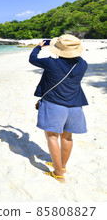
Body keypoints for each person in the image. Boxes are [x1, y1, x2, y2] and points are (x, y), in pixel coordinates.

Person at [29, 34, 88, 183]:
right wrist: (71, 49)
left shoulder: (51, 63)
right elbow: (77, 57)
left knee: (52, 137)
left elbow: (32, 59)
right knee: (67, 137)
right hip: (75, 106)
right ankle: (62, 166)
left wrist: (38, 47)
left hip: (54, 105)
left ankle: (58, 173)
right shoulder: (82, 64)